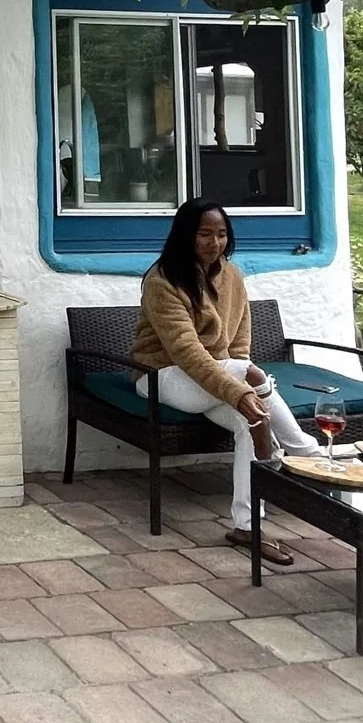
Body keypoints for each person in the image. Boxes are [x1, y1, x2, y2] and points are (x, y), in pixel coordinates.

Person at [131, 199, 321, 564]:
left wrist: (239, 388)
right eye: (204, 234)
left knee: (250, 420)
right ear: (186, 235)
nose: (214, 242)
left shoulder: (232, 276)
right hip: (163, 376)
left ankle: (248, 527)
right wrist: (240, 387)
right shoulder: (162, 281)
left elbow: (239, 343)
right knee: (251, 377)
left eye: (221, 234)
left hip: (214, 377)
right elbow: (187, 353)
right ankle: (305, 454)